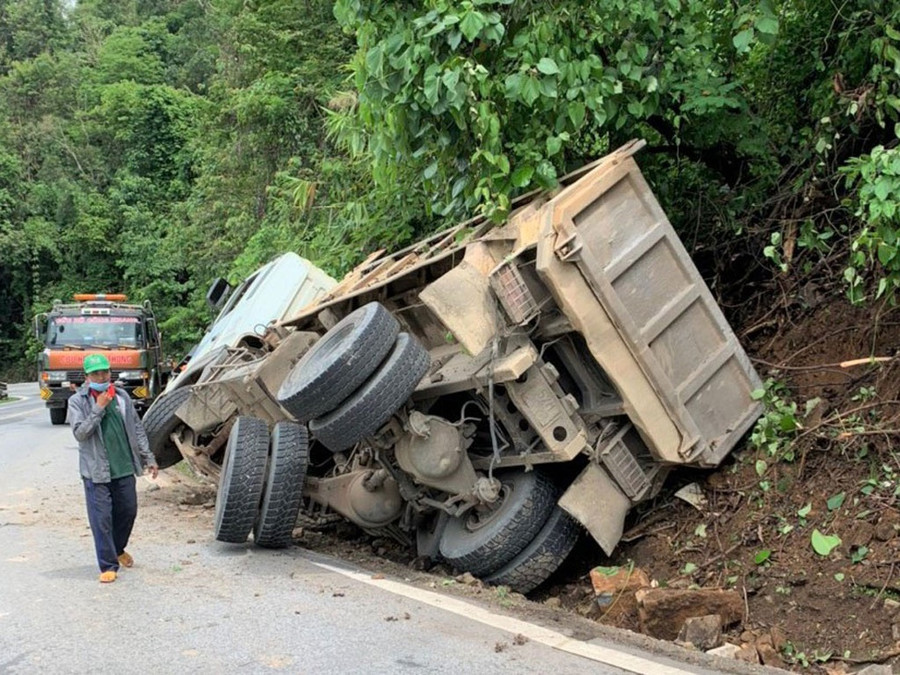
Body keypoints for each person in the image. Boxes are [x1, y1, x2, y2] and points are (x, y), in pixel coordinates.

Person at [67, 353, 159, 583]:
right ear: (87, 377)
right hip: (96, 471)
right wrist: (98, 408)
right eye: (95, 373)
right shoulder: (77, 401)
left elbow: (136, 428)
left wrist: (149, 457)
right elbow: (80, 433)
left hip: (124, 467)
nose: (101, 376)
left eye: (104, 372)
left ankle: (118, 549)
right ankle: (108, 565)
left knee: (128, 512)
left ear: (110, 373)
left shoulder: (121, 396)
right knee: (102, 520)